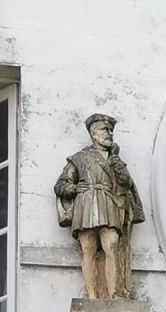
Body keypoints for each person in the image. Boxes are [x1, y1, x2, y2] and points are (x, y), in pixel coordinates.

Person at [55, 113, 145, 301]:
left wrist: (115, 160)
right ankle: (92, 296)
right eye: (105, 130)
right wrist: (74, 188)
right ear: (93, 133)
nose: (109, 133)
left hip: (108, 202)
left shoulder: (115, 159)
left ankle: (114, 294)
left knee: (111, 246)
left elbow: (126, 182)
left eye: (111, 130)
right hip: (86, 203)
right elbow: (60, 185)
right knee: (88, 249)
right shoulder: (79, 157)